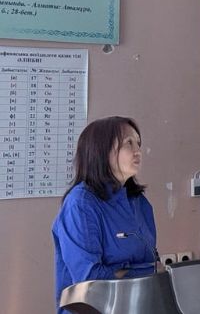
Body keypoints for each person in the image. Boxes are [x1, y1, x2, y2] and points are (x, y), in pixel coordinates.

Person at [52, 116, 158, 313]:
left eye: (138, 143)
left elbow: (153, 260)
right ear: (101, 151)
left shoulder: (139, 202)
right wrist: (146, 272)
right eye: (128, 143)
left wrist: (127, 272)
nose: (138, 151)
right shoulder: (80, 204)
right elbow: (90, 280)